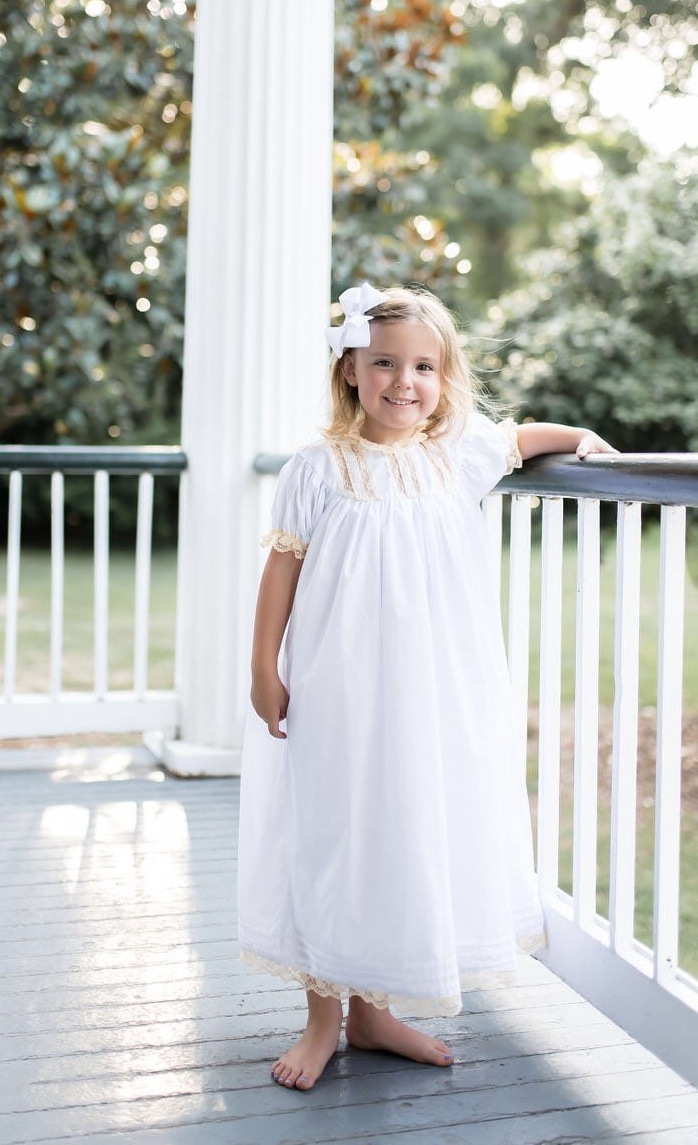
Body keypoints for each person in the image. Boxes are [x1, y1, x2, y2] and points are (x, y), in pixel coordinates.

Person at [237, 283, 616, 1091]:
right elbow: (282, 570)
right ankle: (321, 1018)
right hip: (338, 689)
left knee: (403, 830)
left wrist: (580, 436)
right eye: (384, 364)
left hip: (429, 693)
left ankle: (373, 1015)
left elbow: (518, 437)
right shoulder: (317, 468)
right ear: (349, 370)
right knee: (335, 831)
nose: (403, 382)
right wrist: (262, 664)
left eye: (423, 367)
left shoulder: (457, 455)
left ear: (444, 379)